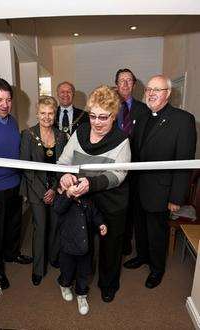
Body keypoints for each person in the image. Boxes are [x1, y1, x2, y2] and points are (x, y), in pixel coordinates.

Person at [57, 85, 131, 302]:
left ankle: (108, 284)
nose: (97, 122)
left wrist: (91, 183)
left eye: (103, 117)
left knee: (110, 247)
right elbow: (63, 162)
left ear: (114, 115)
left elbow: (119, 174)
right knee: (79, 243)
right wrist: (65, 176)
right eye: (93, 116)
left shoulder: (121, 140)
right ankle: (73, 278)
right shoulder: (79, 133)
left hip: (111, 200)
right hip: (83, 199)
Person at [124, 75, 197, 289]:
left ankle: (157, 269)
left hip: (161, 190)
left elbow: (184, 162)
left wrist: (176, 197)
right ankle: (143, 257)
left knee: (157, 232)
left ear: (168, 93)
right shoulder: (142, 116)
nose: (151, 93)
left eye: (157, 89)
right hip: (137, 187)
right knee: (140, 227)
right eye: (148, 89)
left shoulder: (183, 120)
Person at [0, 77, 32, 290]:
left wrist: (23, 185)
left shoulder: (11, 121)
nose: (5, 105)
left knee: (14, 225)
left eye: (8, 100)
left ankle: (13, 254)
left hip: (14, 184)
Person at [20, 96, 67, 286]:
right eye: (43, 113)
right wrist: (43, 192)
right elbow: (26, 168)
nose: (46, 117)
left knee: (55, 226)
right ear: (37, 114)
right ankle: (38, 269)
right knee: (41, 228)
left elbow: (63, 164)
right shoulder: (28, 135)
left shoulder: (61, 136)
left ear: (55, 114)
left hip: (55, 189)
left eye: (50, 113)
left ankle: (54, 257)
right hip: (35, 189)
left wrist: (54, 189)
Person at [53, 182, 107, 315]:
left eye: (76, 186)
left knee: (84, 273)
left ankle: (82, 296)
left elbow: (95, 214)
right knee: (67, 272)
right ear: (61, 190)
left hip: (85, 248)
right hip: (68, 248)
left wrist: (101, 224)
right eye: (69, 187)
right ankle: (64, 285)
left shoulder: (87, 200)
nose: (74, 189)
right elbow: (58, 208)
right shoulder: (62, 201)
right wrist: (68, 195)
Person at [115, 68, 147, 256]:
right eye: (121, 80)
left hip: (135, 169)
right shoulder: (108, 106)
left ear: (134, 84)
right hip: (112, 168)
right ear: (116, 84)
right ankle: (114, 241)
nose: (125, 84)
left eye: (129, 80)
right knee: (115, 208)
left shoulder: (143, 110)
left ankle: (126, 243)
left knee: (133, 209)